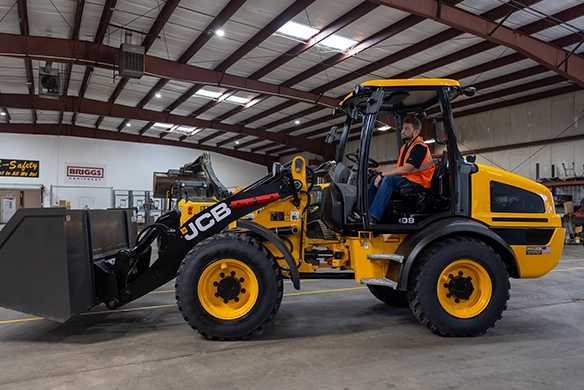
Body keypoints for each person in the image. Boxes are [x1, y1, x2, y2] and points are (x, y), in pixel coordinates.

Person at [367, 116, 435, 224]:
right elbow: (398, 168)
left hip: (419, 181)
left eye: (407, 129)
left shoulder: (419, 147)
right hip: (408, 178)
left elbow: (407, 169)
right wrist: (379, 171)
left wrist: (383, 175)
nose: (403, 131)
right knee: (374, 178)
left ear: (416, 132)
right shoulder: (405, 147)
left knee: (388, 179)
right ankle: (365, 212)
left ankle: (373, 216)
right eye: (403, 128)